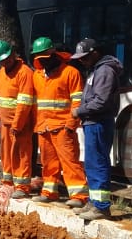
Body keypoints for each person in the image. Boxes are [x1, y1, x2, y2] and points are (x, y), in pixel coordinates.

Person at [30, 37, 88, 207]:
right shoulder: (37, 76)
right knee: (48, 163)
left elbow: (78, 102)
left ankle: (79, 196)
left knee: (70, 162)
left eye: (45, 57)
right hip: (44, 126)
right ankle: (49, 192)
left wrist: (71, 124)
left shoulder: (70, 73)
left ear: (54, 55)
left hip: (63, 127)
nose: (42, 61)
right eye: (39, 58)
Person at [71, 38, 122, 221]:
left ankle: (101, 207)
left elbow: (101, 101)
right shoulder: (96, 70)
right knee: (92, 163)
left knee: (98, 163)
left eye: (84, 58)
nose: (82, 62)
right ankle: (94, 202)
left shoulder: (105, 71)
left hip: (99, 123)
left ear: (95, 53)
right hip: (92, 123)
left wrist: (79, 110)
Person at [0, 40, 36, 198]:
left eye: (7, 58)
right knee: (7, 154)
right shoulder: (1, 73)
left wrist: (18, 124)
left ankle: (22, 186)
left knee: (22, 154)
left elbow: (25, 102)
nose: (5, 62)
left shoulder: (25, 73)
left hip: (21, 124)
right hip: (6, 124)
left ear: (13, 54)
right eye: (2, 60)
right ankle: (8, 183)